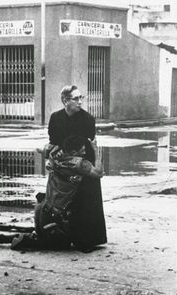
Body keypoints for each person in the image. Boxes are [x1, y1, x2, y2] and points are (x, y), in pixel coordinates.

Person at [0, 135, 103, 252]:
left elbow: (40, 150)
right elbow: (99, 173)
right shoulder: (79, 164)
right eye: (82, 151)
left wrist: (51, 160)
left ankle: (0, 238)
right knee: (61, 244)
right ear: (74, 152)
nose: (84, 153)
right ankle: (25, 241)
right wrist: (95, 150)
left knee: (42, 234)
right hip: (56, 216)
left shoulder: (54, 151)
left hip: (42, 208)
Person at [48, 85, 107, 251]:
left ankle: (88, 240)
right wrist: (53, 161)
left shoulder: (87, 119)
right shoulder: (55, 118)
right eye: (76, 98)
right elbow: (53, 142)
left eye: (81, 98)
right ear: (65, 101)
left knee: (87, 200)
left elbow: (88, 146)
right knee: (62, 201)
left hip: (83, 163)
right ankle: (64, 235)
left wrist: (81, 170)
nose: (80, 102)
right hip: (63, 164)